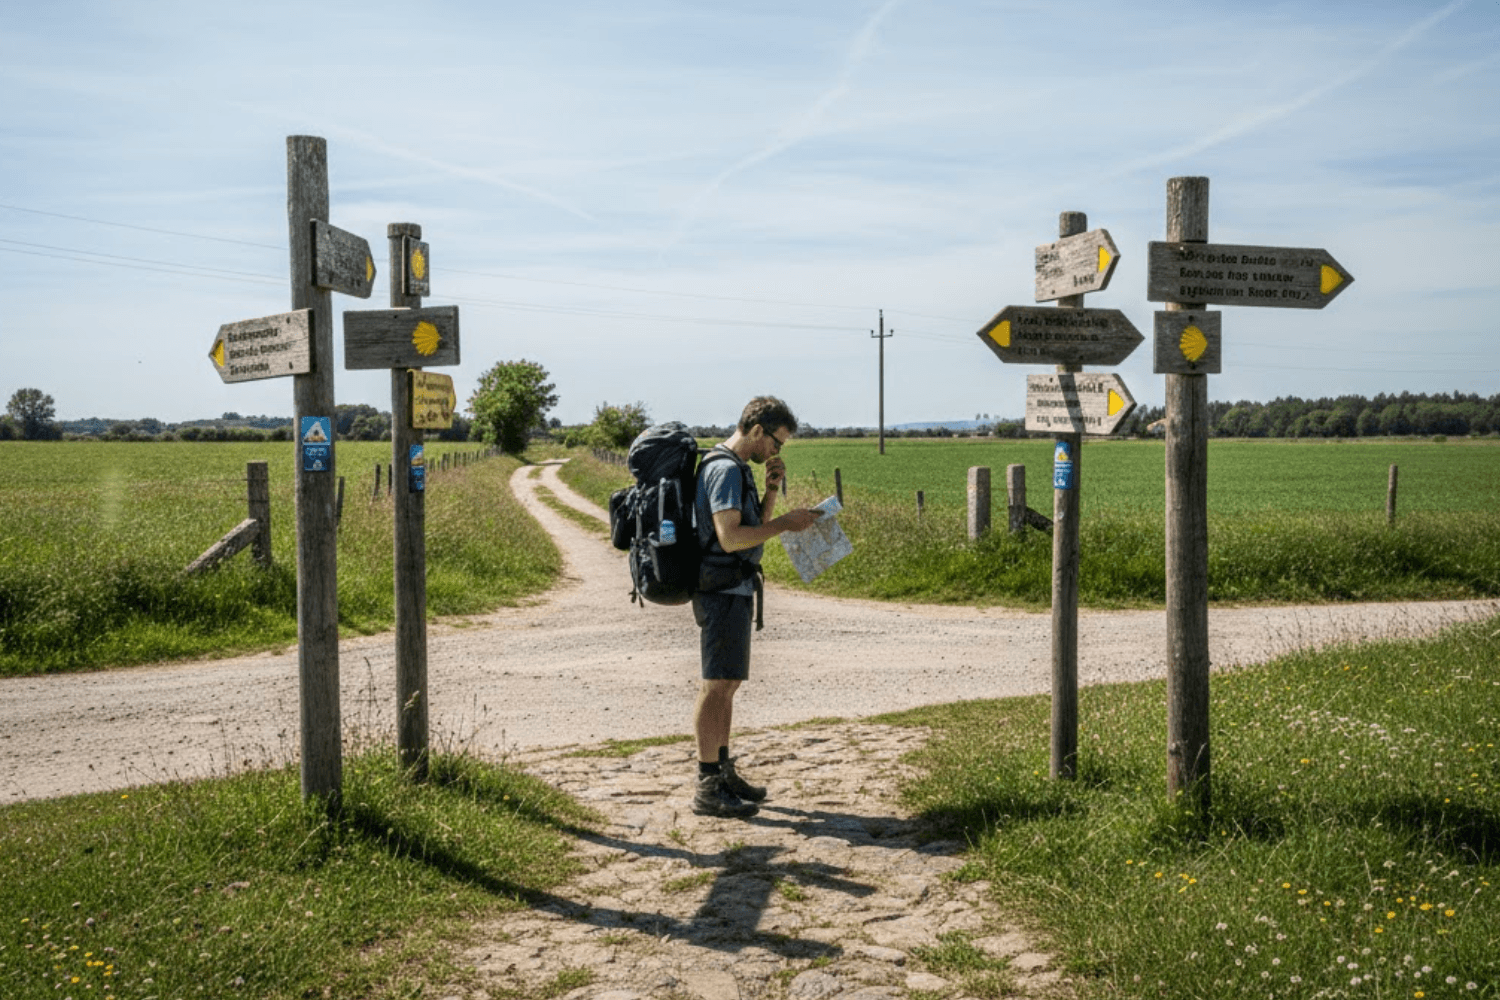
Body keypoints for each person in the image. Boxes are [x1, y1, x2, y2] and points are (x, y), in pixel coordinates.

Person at [691, 396, 822, 818]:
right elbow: (731, 538)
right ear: (757, 430)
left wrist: (769, 496)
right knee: (715, 687)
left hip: (735, 587)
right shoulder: (725, 471)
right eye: (777, 443)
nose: (776, 452)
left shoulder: (739, 470)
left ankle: (723, 771)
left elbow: (751, 529)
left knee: (727, 685)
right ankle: (707, 786)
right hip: (722, 589)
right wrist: (784, 523)